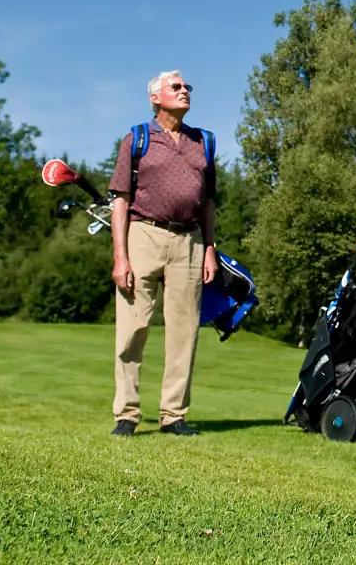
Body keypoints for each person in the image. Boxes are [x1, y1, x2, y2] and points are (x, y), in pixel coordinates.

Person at [107, 69, 218, 437]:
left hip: (190, 242)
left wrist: (210, 249)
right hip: (143, 235)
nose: (184, 90)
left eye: (187, 87)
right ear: (156, 97)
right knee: (132, 328)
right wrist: (120, 257)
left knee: (185, 332)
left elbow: (208, 204)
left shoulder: (203, 142)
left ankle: (174, 416)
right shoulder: (137, 139)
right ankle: (126, 413)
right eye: (176, 87)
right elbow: (120, 201)